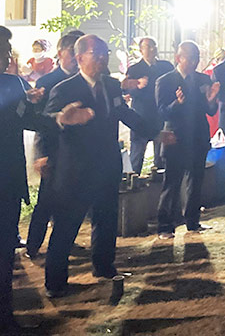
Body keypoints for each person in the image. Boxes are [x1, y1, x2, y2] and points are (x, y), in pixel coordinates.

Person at [42, 35, 161, 297]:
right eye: (95, 53)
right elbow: (46, 124)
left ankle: (104, 266)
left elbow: (125, 115)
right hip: (75, 170)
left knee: (106, 220)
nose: (101, 58)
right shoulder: (65, 89)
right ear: (79, 57)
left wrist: (156, 132)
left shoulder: (110, 85)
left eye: (104, 52)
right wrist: (44, 154)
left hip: (107, 165)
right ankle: (55, 283)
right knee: (67, 225)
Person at [1, 28, 84, 330]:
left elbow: (29, 119)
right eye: (3, 49)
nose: (7, 56)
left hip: (7, 183)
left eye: (8, 50)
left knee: (5, 257)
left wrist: (60, 118)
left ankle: (6, 318)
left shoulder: (12, 84)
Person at [25, 30, 84, 259]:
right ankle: (33, 246)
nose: (76, 57)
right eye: (72, 52)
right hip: (54, 151)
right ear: (61, 53)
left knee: (72, 201)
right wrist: (41, 155)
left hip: (77, 152)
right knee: (46, 201)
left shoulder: (86, 80)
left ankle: (65, 241)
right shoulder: (47, 82)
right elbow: (40, 122)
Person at [155, 41, 220, 239]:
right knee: (172, 183)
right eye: (189, 58)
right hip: (176, 137)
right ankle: (165, 226)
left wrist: (211, 100)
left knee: (196, 181)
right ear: (178, 58)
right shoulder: (165, 81)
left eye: (196, 58)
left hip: (198, 137)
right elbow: (161, 112)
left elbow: (210, 111)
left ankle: (192, 221)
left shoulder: (202, 79)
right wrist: (177, 103)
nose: (193, 62)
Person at [125, 36, 175, 174]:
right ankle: (133, 184)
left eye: (154, 46)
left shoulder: (165, 67)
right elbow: (127, 90)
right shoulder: (134, 69)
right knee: (137, 156)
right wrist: (137, 86)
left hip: (160, 116)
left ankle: (157, 187)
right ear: (141, 50)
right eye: (148, 46)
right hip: (141, 117)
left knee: (161, 159)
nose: (153, 49)